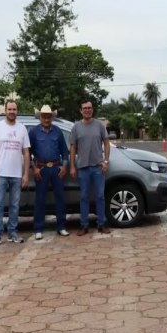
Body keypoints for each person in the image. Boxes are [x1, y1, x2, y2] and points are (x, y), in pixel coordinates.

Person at [0, 101, 31, 246]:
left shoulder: (22, 128)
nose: (12, 111)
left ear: (17, 111)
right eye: (10, 109)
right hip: (0, 174)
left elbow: (26, 153)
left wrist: (25, 174)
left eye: (14, 109)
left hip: (17, 174)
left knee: (14, 205)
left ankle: (12, 232)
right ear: (5, 110)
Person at [70, 100, 111, 235]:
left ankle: (102, 223)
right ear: (80, 111)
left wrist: (106, 161)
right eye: (84, 108)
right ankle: (84, 225)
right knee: (84, 197)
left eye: (89, 108)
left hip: (98, 167)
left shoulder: (99, 125)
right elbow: (73, 147)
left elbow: (106, 142)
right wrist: (72, 166)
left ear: (92, 110)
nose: (87, 110)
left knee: (100, 196)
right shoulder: (76, 127)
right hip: (83, 167)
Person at [29, 105, 70, 239]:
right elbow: (27, 153)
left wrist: (64, 167)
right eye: (44, 116)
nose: (46, 119)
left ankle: (61, 227)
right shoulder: (33, 132)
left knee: (60, 198)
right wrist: (33, 168)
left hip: (56, 169)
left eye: (48, 116)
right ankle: (38, 228)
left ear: (52, 117)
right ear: (40, 117)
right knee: (40, 199)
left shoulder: (57, 131)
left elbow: (64, 151)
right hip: (41, 169)